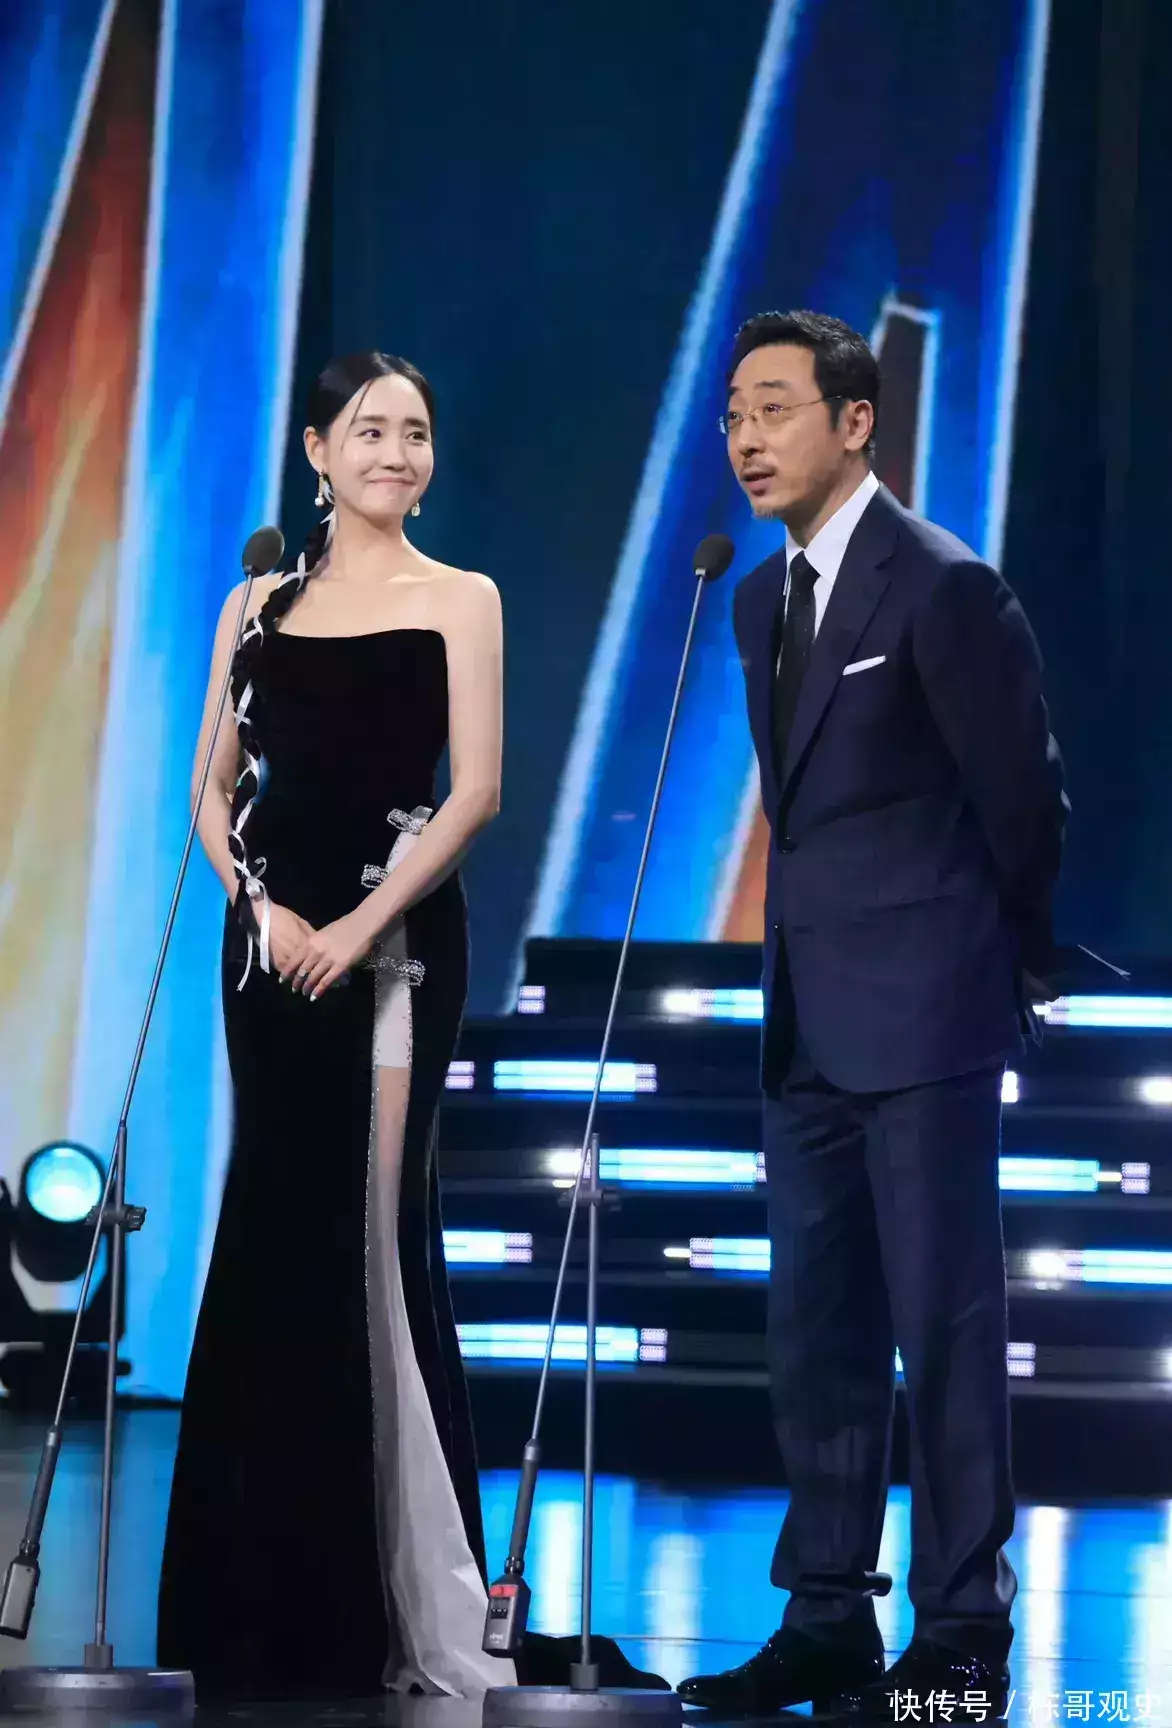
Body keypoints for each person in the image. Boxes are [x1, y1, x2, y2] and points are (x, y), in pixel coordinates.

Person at [678, 312, 1067, 1719]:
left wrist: (995, 957)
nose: (747, 438)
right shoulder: (756, 602)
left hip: (930, 1013)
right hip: (808, 1021)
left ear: (856, 423)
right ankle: (828, 1613)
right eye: (735, 413)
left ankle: (963, 1634)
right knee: (816, 1329)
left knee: (945, 1329)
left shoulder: (944, 586)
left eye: (775, 408)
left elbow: (1024, 800)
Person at [156, 351, 507, 1701]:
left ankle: (377, 1594)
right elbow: (211, 789)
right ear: (316, 450)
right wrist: (261, 909)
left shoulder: (461, 597)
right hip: (268, 950)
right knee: (273, 1223)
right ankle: (258, 1596)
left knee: (371, 1231)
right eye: (369, 430)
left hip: (397, 944)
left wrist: (357, 930)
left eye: (415, 432)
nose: (395, 453)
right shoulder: (256, 600)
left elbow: (473, 793)